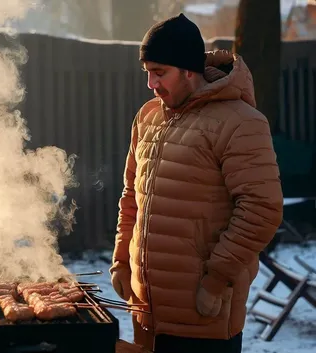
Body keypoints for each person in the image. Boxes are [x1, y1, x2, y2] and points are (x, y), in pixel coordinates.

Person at [109, 13, 284, 353]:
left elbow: (261, 208)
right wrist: (121, 258)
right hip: (146, 313)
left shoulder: (240, 122)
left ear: (188, 69)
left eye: (160, 73)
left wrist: (216, 281)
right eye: (147, 72)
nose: (151, 84)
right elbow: (132, 195)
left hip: (203, 319)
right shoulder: (148, 117)